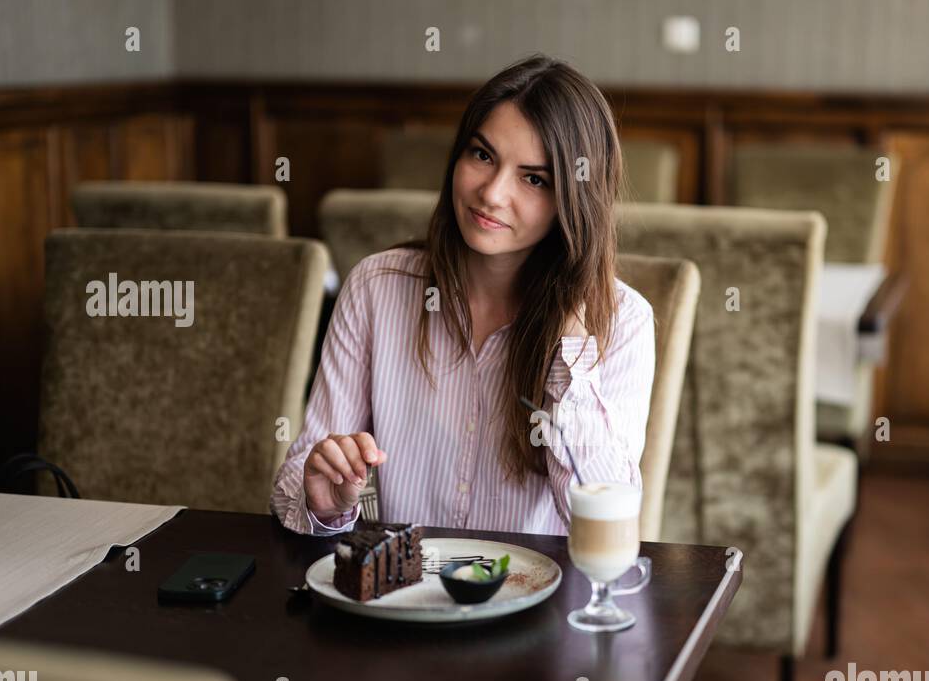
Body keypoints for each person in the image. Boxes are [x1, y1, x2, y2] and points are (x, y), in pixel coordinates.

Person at [270, 54, 655, 536]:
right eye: (483, 155)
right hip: (402, 599)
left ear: (573, 204)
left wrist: (570, 348)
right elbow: (295, 486)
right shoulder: (377, 286)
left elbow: (601, 523)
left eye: (534, 179)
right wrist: (322, 502)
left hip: (538, 604)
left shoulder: (624, 323)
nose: (492, 193)